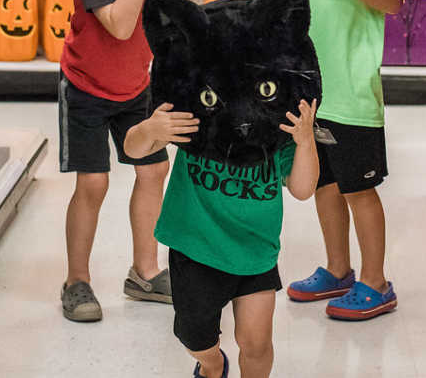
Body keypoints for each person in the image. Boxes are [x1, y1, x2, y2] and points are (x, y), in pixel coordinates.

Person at [248, 0, 404, 321]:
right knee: (325, 184)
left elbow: (393, 2)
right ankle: (338, 269)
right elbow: (277, 4)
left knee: (360, 188)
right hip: (307, 92)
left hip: (351, 92)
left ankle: (376, 282)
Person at [125, 97, 319, 378]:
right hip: (195, 247)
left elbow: (303, 189)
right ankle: (212, 364)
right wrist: (151, 130)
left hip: (255, 249)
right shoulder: (196, 113)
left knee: (256, 343)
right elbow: (133, 148)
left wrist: (305, 141)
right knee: (195, 337)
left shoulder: (276, 126)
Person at [58, 0, 190, 322]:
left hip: (136, 85)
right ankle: (76, 281)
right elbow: (119, 23)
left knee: (153, 172)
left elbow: (176, 14)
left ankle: (145, 273)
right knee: (93, 183)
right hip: (84, 85)